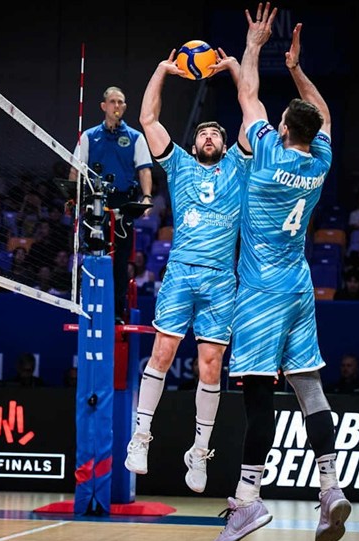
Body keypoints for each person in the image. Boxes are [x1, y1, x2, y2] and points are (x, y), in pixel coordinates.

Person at [210, 7, 350, 541]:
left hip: (261, 291)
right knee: (310, 387)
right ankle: (330, 487)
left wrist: (253, 45)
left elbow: (248, 94)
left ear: (284, 129)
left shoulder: (267, 154)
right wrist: (295, 68)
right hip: (298, 286)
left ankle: (248, 498)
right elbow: (324, 114)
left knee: (257, 396)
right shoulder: (320, 161)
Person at [124, 42, 251, 496]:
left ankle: (199, 451)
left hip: (221, 279)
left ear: (225, 144)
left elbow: (251, 110)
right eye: (203, 134)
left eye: (216, 133)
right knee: (162, 352)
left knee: (211, 365)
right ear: (194, 143)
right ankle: (141, 436)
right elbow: (147, 119)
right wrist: (161, 69)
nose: (209, 137)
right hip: (181, 271)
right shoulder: (178, 164)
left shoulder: (238, 165)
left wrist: (234, 68)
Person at [68, 86, 154, 324]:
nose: (117, 105)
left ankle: (116, 311)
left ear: (124, 107)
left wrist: (147, 197)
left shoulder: (136, 137)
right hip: (94, 202)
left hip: (123, 203)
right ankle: (89, 306)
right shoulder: (88, 136)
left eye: (121, 102)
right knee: (93, 255)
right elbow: (75, 170)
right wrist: (73, 198)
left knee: (120, 259)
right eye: (113, 101)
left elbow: (144, 170)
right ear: (103, 106)